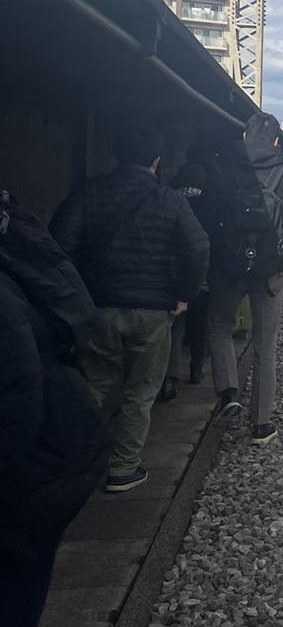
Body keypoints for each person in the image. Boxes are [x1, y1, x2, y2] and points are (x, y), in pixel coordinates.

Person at [50, 127, 209, 492]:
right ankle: (122, 468)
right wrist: (184, 293)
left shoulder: (88, 193)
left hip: (98, 306)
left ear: (117, 154)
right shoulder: (169, 200)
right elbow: (199, 247)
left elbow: (61, 244)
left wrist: (77, 294)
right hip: (153, 310)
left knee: (97, 383)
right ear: (156, 161)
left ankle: (83, 459)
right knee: (141, 390)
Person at [0, 190, 109, 627]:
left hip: (30, 475)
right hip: (58, 460)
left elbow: (19, 394)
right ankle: (127, 464)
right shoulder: (23, 247)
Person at [205, 113, 283, 445]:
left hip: (230, 266)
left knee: (219, 325)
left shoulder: (225, 165)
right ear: (278, 141)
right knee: (265, 344)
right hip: (271, 268)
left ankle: (228, 391)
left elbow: (210, 214)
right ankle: (261, 425)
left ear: (244, 136)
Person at [161, 162, 213, 399]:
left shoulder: (167, 199)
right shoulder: (210, 202)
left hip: (171, 272)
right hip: (202, 271)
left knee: (175, 326)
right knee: (200, 325)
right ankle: (195, 369)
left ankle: (169, 378)